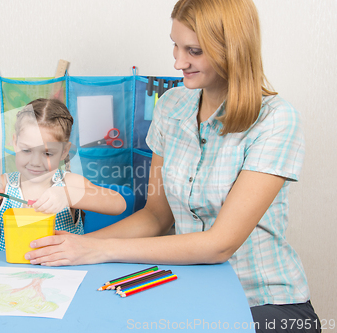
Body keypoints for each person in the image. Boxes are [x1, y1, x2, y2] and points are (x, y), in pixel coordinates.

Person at [25, 0, 321, 331]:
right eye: (175, 46)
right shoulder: (171, 106)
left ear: (232, 50)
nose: (178, 62)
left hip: (264, 301)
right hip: (190, 289)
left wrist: (95, 248)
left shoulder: (276, 120)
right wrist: (72, 249)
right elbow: (156, 216)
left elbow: (219, 244)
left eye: (193, 50)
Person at [0, 98, 126, 251]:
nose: (35, 161)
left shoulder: (69, 183)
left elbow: (118, 204)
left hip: (63, 274)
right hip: (9, 277)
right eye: (26, 150)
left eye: (47, 153)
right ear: (15, 142)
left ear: (64, 151)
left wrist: (68, 195)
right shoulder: (4, 185)